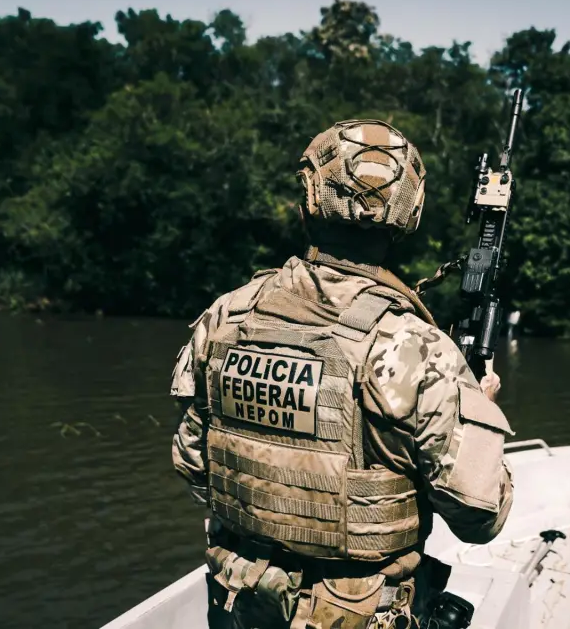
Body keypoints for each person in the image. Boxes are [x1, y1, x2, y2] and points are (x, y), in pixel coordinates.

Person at [170, 119, 515, 629]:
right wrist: (479, 405)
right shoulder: (420, 350)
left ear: (309, 194)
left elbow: (195, 468)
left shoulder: (227, 317)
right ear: (409, 213)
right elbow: (481, 517)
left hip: (241, 602)